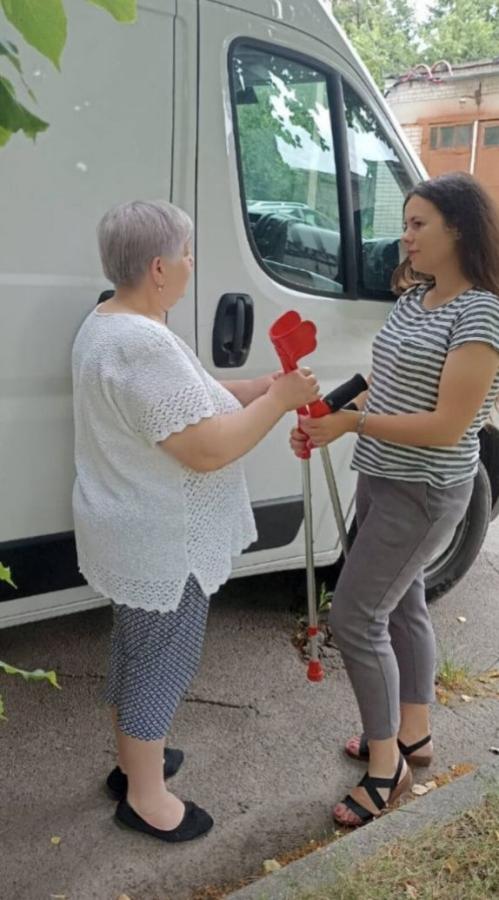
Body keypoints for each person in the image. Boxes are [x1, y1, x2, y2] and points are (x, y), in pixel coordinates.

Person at [72, 199, 319, 843]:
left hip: (131, 529)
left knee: (138, 650)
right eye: (187, 254)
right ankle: (145, 796)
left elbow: (195, 403)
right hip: (161, 540)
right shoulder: (141, 342)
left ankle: (135, 760)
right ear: (159, 267)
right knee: (162, 661)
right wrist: (283, 402)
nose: (192, 265)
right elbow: (208, 446)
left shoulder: (112, 322)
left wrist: (262, 387)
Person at [291, 172, 499, 827]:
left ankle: (386, 771)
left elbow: (445, 424)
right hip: (379, 476)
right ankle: (413, 736)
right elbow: (380, 377)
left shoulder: (481, 312)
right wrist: (330, 406)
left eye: (417, 225)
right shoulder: (418, 299)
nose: (403, 236)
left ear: (457, 230)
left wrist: (350, 424)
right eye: (404, 222)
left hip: (426, 486)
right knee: (400, 603)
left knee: (354, 615)